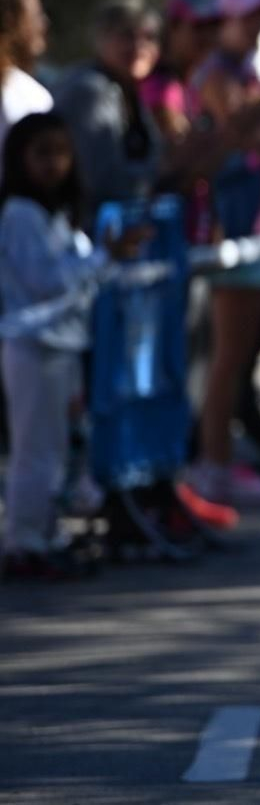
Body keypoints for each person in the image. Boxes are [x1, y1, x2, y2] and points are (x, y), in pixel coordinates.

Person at [0, 113, 144, 580]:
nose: (52, 164)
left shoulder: (58, 213)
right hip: (31, 345)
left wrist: (103, 256)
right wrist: (102, 258)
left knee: (58, 450)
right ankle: (23, 541)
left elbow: (78, 271)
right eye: (41, 153)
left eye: (60, 153)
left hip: (61, 345)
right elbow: (45, 281)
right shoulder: (19, 214)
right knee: (33, 450)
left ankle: (46, 532)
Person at [185, 0, 260, 509]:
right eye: (245, 19)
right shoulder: (216, 76)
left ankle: (222, 456)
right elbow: (252, 136)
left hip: (257, 225)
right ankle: (211, 462)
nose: (254, 29)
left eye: (259, 19)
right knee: (226, 356)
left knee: (239, 354)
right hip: (230, 226)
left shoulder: (248, 74)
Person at [50, 0, 164, 220]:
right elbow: (102, 182)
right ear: (101, 38)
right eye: (127, 35)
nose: (139, 46)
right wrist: (167, 168)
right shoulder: (89, 91)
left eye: (149, 37)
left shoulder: (126, 90)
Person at [139, 0, 219, 143]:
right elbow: (181, 147)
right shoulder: (157, 84)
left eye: (214, 26)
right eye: (199, 26)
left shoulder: (194, 78)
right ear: (172, 27)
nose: (209, 35)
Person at [0, 0, 55, 181]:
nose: (44, 23)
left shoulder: (27, 91)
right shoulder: (28, 95)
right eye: (35, 15)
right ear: (10, 21)